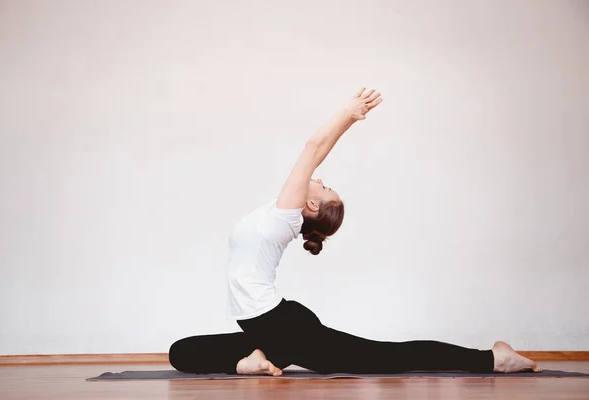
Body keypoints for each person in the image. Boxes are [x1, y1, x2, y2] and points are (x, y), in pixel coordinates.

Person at [168, 88, 541, 376]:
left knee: (387, 357)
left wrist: (348, 115)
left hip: (284, 326)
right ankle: (251, 360)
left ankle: (492, 359)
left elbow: (314, 148)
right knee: (180, 352)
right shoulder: (277, 212)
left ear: (310, 206)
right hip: (273, 327)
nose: (319, 178)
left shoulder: (285, 215)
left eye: (324, 187)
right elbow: (316, 154)